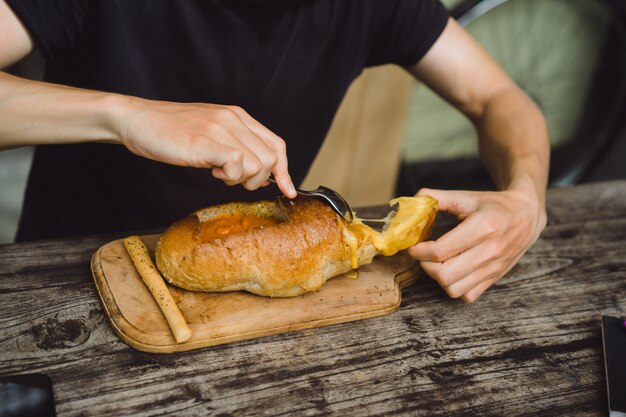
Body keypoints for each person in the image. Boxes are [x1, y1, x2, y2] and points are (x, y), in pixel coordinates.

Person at [0, 0, 548, 303]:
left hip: (251, 326)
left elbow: (495, 96)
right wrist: (124, 115)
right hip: (60, 282)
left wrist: (525, 196)